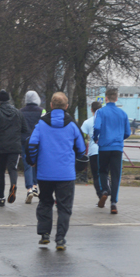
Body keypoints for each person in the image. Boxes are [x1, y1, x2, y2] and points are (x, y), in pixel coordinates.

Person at [26, 92, 86, 251]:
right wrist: (77, 159)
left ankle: (45, 234)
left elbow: (32, 144)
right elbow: (81, 148)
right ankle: (60, 239)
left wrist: (32, 161)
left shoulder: (41, 124)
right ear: (67, 107)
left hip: (45, 173)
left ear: (51, 106)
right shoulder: (72, 125)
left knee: (45, 202)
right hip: (66, 174)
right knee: (64, 207)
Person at [93, 87, 131, 215]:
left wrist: (95, 137)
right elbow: (128, 132)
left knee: (102, 171)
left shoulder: (100, 112)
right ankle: (113, 202)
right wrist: (120, 138)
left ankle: (104, 190)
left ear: (106, 98)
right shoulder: (123, 114)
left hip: (104, 147)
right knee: (116, 175)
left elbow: (97, 126)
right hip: (117, 148)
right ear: (116, 98)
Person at [0, 89, 28, 206]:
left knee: (0, 171)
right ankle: (13, 185)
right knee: (12, 169)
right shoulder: (18, 113)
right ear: (9, 100)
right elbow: (25, 129)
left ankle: (1, 197)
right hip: (14, 146)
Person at [20, 91, 43, 203]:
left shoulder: (20, 112)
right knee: (38, 163)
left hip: (24, 141)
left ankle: (29, 189)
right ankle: (35, 186)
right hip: (38, 141)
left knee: (27, 164)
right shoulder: (42, 111)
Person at [79, 101, 103, 204]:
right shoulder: (105, 121)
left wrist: (82, 148)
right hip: (106, 150)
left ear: (91, 110)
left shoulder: (87, 122)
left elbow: (81, 137)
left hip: (93, 152)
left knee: (96, 175)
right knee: (105, 172)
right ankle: (107, 189)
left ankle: (100, 195)